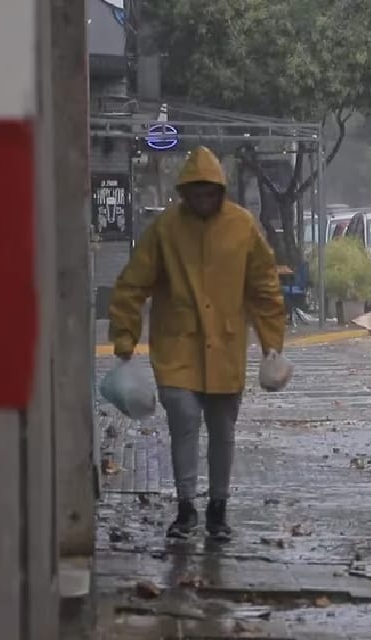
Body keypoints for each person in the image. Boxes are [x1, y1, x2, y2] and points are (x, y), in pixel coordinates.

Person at [108, 146, 286, 541]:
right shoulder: (166, 230)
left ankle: (218, 508)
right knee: (184, 423)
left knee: (223, 430)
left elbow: (264, 288)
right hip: (177, 350)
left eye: (210, 193)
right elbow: (132, 285)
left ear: (220, 191)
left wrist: (271, 342)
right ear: (186, 192)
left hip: (225, 349)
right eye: (196, 193)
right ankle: (186, 507)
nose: (203, 200)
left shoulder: (242, 227)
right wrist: (124, 337)